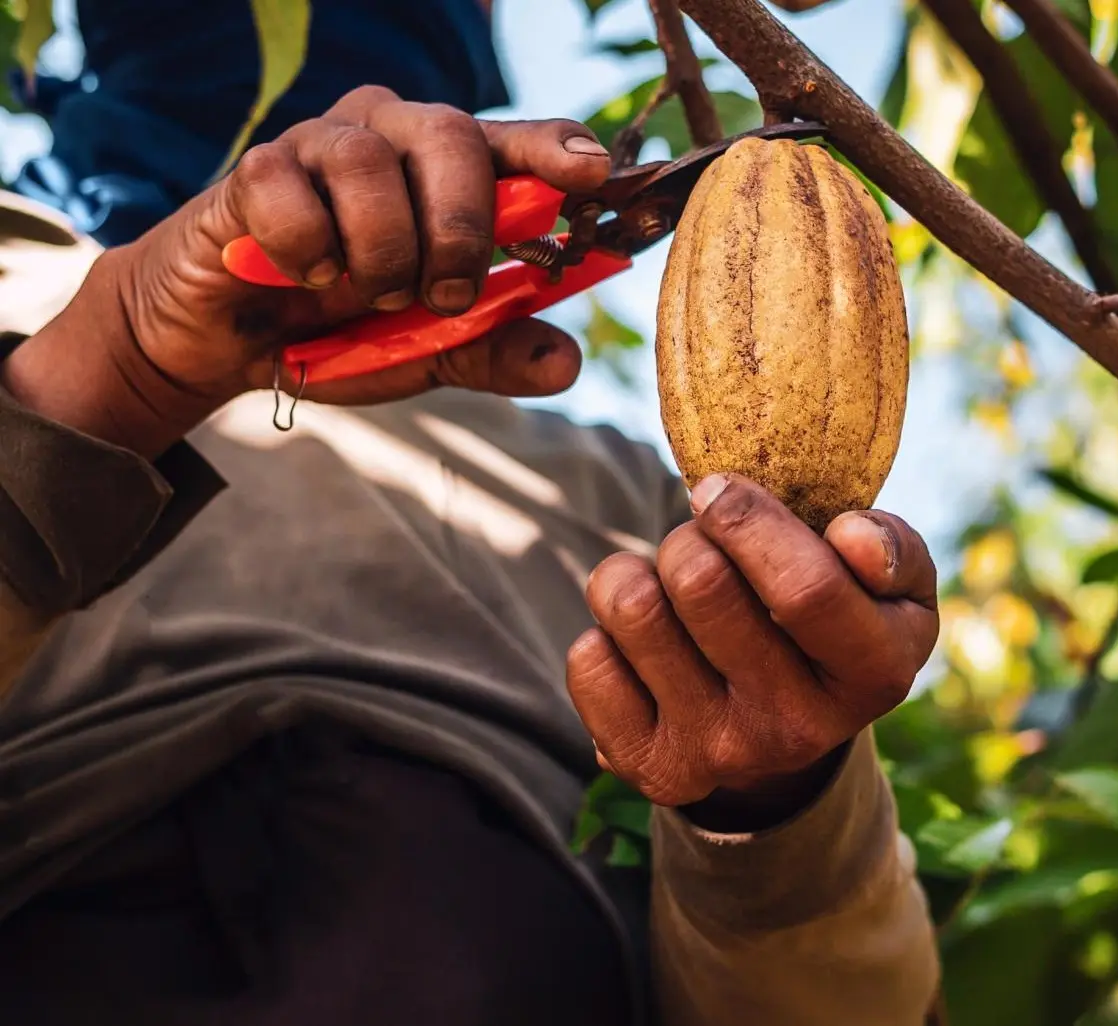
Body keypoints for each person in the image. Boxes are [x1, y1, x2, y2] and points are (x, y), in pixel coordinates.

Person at [0, 5, 942, 1026]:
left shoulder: (627, 487)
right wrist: (112, 377)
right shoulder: (28, 296)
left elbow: (854, 1005)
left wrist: (772, 813)